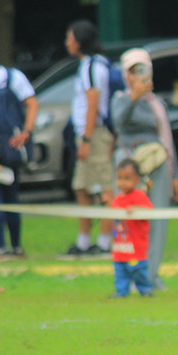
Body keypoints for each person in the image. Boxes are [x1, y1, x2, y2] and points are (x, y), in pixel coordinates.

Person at [112, 48, 178, 291]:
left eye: (143, 70)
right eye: (133, 71)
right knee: (131, 224)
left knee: (157, 221)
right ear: (126, 75)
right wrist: (134, 97)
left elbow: (167, 139)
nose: (139, 76)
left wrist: (176, 175)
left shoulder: (157, 103)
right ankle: (131, 276)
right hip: (130, 169)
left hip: (159, 164)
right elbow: (120, 122)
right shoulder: (120, 99)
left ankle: (150, 276)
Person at [60, 20, 115, 259]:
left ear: (80, 41)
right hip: (86, 134)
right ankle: (84, 242)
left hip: (94, 135)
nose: (67, 43)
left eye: (70, 38)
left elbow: (93, 102)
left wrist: (87, 138)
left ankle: (104, 243)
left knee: (104, 188)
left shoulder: (93, 66)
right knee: (81, 187)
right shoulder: (86, 65)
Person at [0, 51, 38, 260]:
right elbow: (32, 102)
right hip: (13, 148)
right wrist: (26, 132)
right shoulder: (14, 76)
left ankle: (1, 249)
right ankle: (17, 247)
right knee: (12, 197)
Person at [110, 159, 154, 297]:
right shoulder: (117, 199)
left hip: (136, 246)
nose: (122, 182)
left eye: (127, 178)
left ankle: (145, 290)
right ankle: (121, 292)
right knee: (120, 271)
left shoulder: (139, 196)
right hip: (120, 246)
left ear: (136, 179)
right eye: (119, 178)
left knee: (138, 270)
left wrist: (136, 209)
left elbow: (149, 211)